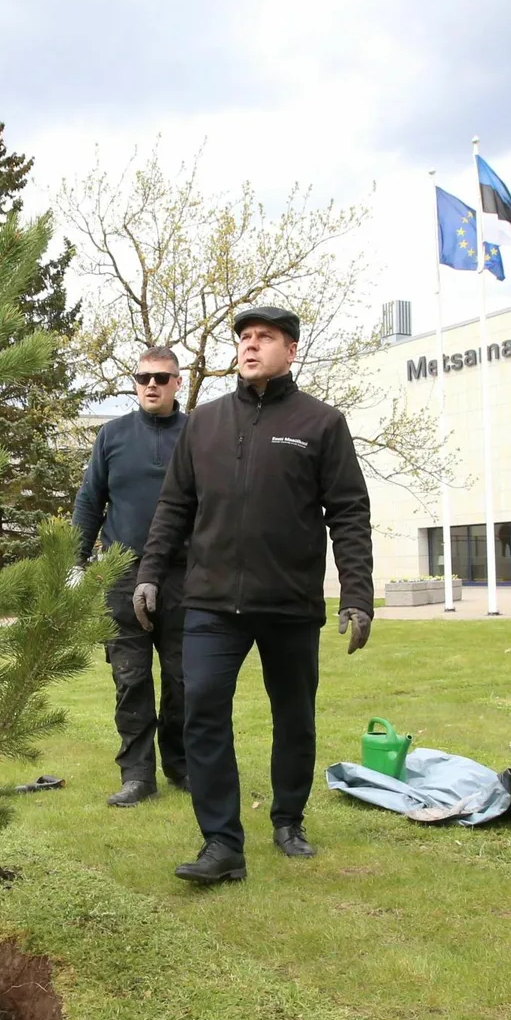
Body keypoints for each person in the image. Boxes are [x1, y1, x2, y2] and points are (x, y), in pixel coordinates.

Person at [134, 306, 374, 883]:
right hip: (211, 602)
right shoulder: (205, 423)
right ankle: (222, 843)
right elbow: (174, 506)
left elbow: (348, 512)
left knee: (295, 717)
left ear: (291, 350)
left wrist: (356, 593)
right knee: (202, 715)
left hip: (288, 602)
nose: (250, 346)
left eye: (265, 338)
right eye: (244, 337)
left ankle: (288, 820)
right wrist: (149, 572)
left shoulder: (321, 423)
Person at [71, 345, 189, 807]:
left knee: (184, 680)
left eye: (162, 377)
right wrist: (76, 564)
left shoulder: (198, 434)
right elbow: (89, 501)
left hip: (184, 577)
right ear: (135, 384)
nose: (152, 385)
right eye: (144, 378)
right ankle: (138, 775)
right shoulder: (112, 436)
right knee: (131, 678)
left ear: (178, 382)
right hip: (122, 574)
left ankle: (181, 767)